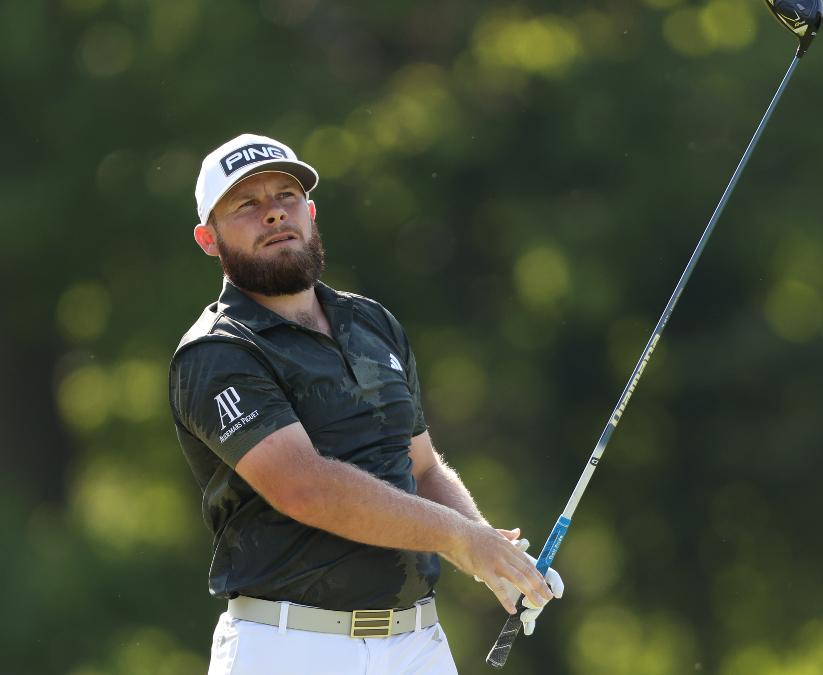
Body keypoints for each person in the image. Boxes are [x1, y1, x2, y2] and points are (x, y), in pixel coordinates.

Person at [168, 134, 565, 675]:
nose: (273, 214)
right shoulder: (217, 352)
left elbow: (421, 467)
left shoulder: (372, 322)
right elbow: (302, 487)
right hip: (289, 647)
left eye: (286, 196)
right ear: (208, 240)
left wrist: (495, 561)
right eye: (246, 204)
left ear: (309, 212)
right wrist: (461, 538)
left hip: (416, 643)